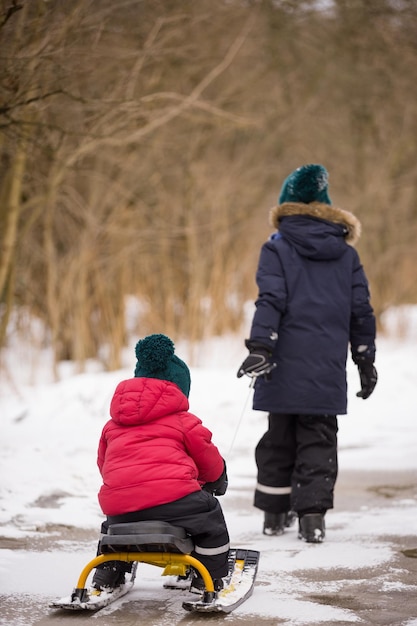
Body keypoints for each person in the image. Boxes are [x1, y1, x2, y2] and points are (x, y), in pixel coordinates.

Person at [237, 164, 377, 543]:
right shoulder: (346, 255)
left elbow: (271, 300)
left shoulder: (276, 247)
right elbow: (360, 311)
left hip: (281, 364)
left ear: (286, 204)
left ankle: (273, 514)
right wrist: (364, 358)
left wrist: (261, 346)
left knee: (278, 437)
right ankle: (312, 519)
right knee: (318, 439)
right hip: (325, 369)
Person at [91, 333, 229, 593]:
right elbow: (210, 463)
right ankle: (209, 577)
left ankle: (107, 574)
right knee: (210, 517)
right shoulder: (183, 421)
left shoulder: (112, 425)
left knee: (111, 529)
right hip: (175, 502)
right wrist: (217, 477)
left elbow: (104, 464)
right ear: (177, 388)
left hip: (120, 506)